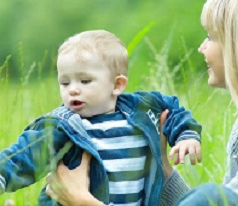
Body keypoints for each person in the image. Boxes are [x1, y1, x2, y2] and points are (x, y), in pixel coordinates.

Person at [46, 0, 238, 205]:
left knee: (210, 194)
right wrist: (160, 166)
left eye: (210, 37)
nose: (201, 47)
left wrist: (83, 201)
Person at [0, 30, 202, 206]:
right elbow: (25, 154)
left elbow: (173, 109)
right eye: (65, 82)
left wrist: (186, 135)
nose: (73, 90)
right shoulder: (63, 126)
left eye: (85, 80)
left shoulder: (140, 110)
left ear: (117, 85)